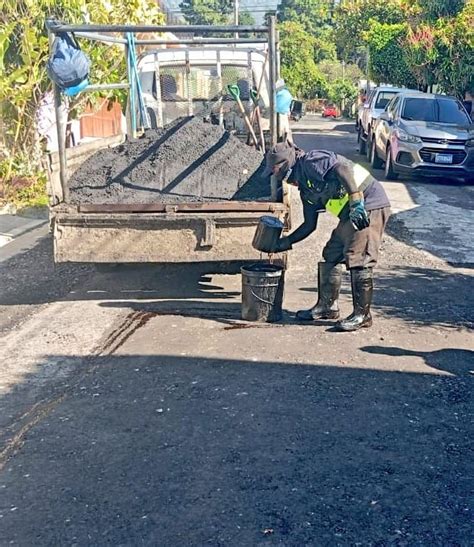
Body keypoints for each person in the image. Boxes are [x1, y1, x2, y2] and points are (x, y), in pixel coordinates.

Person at [263, 141, 391, 332]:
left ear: (284, 165)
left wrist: (356, 202)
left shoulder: (311, 161)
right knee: (332, 253)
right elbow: (309, 225)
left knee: (359, 257)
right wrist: (283, 243)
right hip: (349, 214)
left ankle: (363, 315)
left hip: (369, 204)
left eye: (274, 170)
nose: (274, 175)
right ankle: (327, 307)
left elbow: (342, 169)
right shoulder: (306, 189)